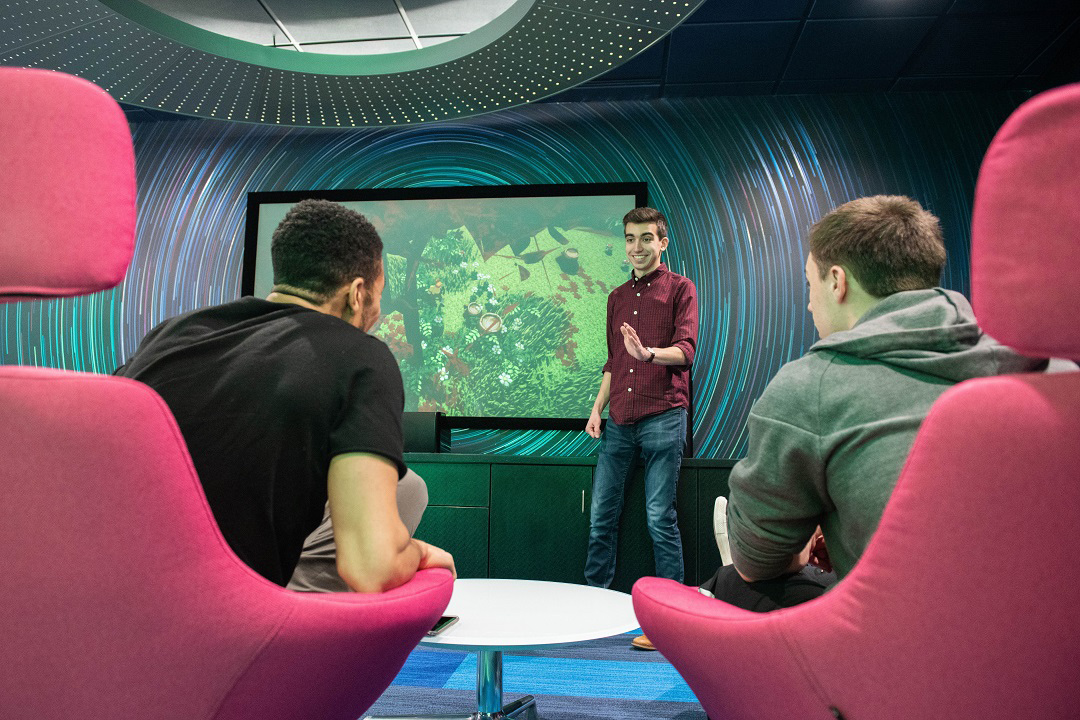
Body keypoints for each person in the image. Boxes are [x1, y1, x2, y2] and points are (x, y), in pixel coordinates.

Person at [710, 194, 1054, 613]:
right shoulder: (1035, 363)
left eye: (809, 285)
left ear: (837, 281)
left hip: (904, 647)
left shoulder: (809, 385)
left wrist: (802, 544)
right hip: (1047, 632)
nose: (807, 303)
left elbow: (757, 562)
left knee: (734, 580)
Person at [115, 199, 454, 592]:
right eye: (380, 295)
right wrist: (421, 553)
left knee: (406, 487)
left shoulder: (171, 333)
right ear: (357, 293)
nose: (379, 311)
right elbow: (372, 567)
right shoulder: (360, 357)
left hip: (95, 590)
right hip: (215, 617)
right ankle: (301, 605)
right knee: (402, 500)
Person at [584, 207, 699, 613]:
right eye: (631, 238)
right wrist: (597, 408)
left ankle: (670, 610)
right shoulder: (616, 297)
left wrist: (648, 354)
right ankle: (595, 602)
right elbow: (614, 361)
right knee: (600, 516)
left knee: (658, 518)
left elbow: (686, 352)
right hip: (618, 420)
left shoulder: (681, 288)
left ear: (662, 243)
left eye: (646, 238)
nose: (637, 247)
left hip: (664, 416)